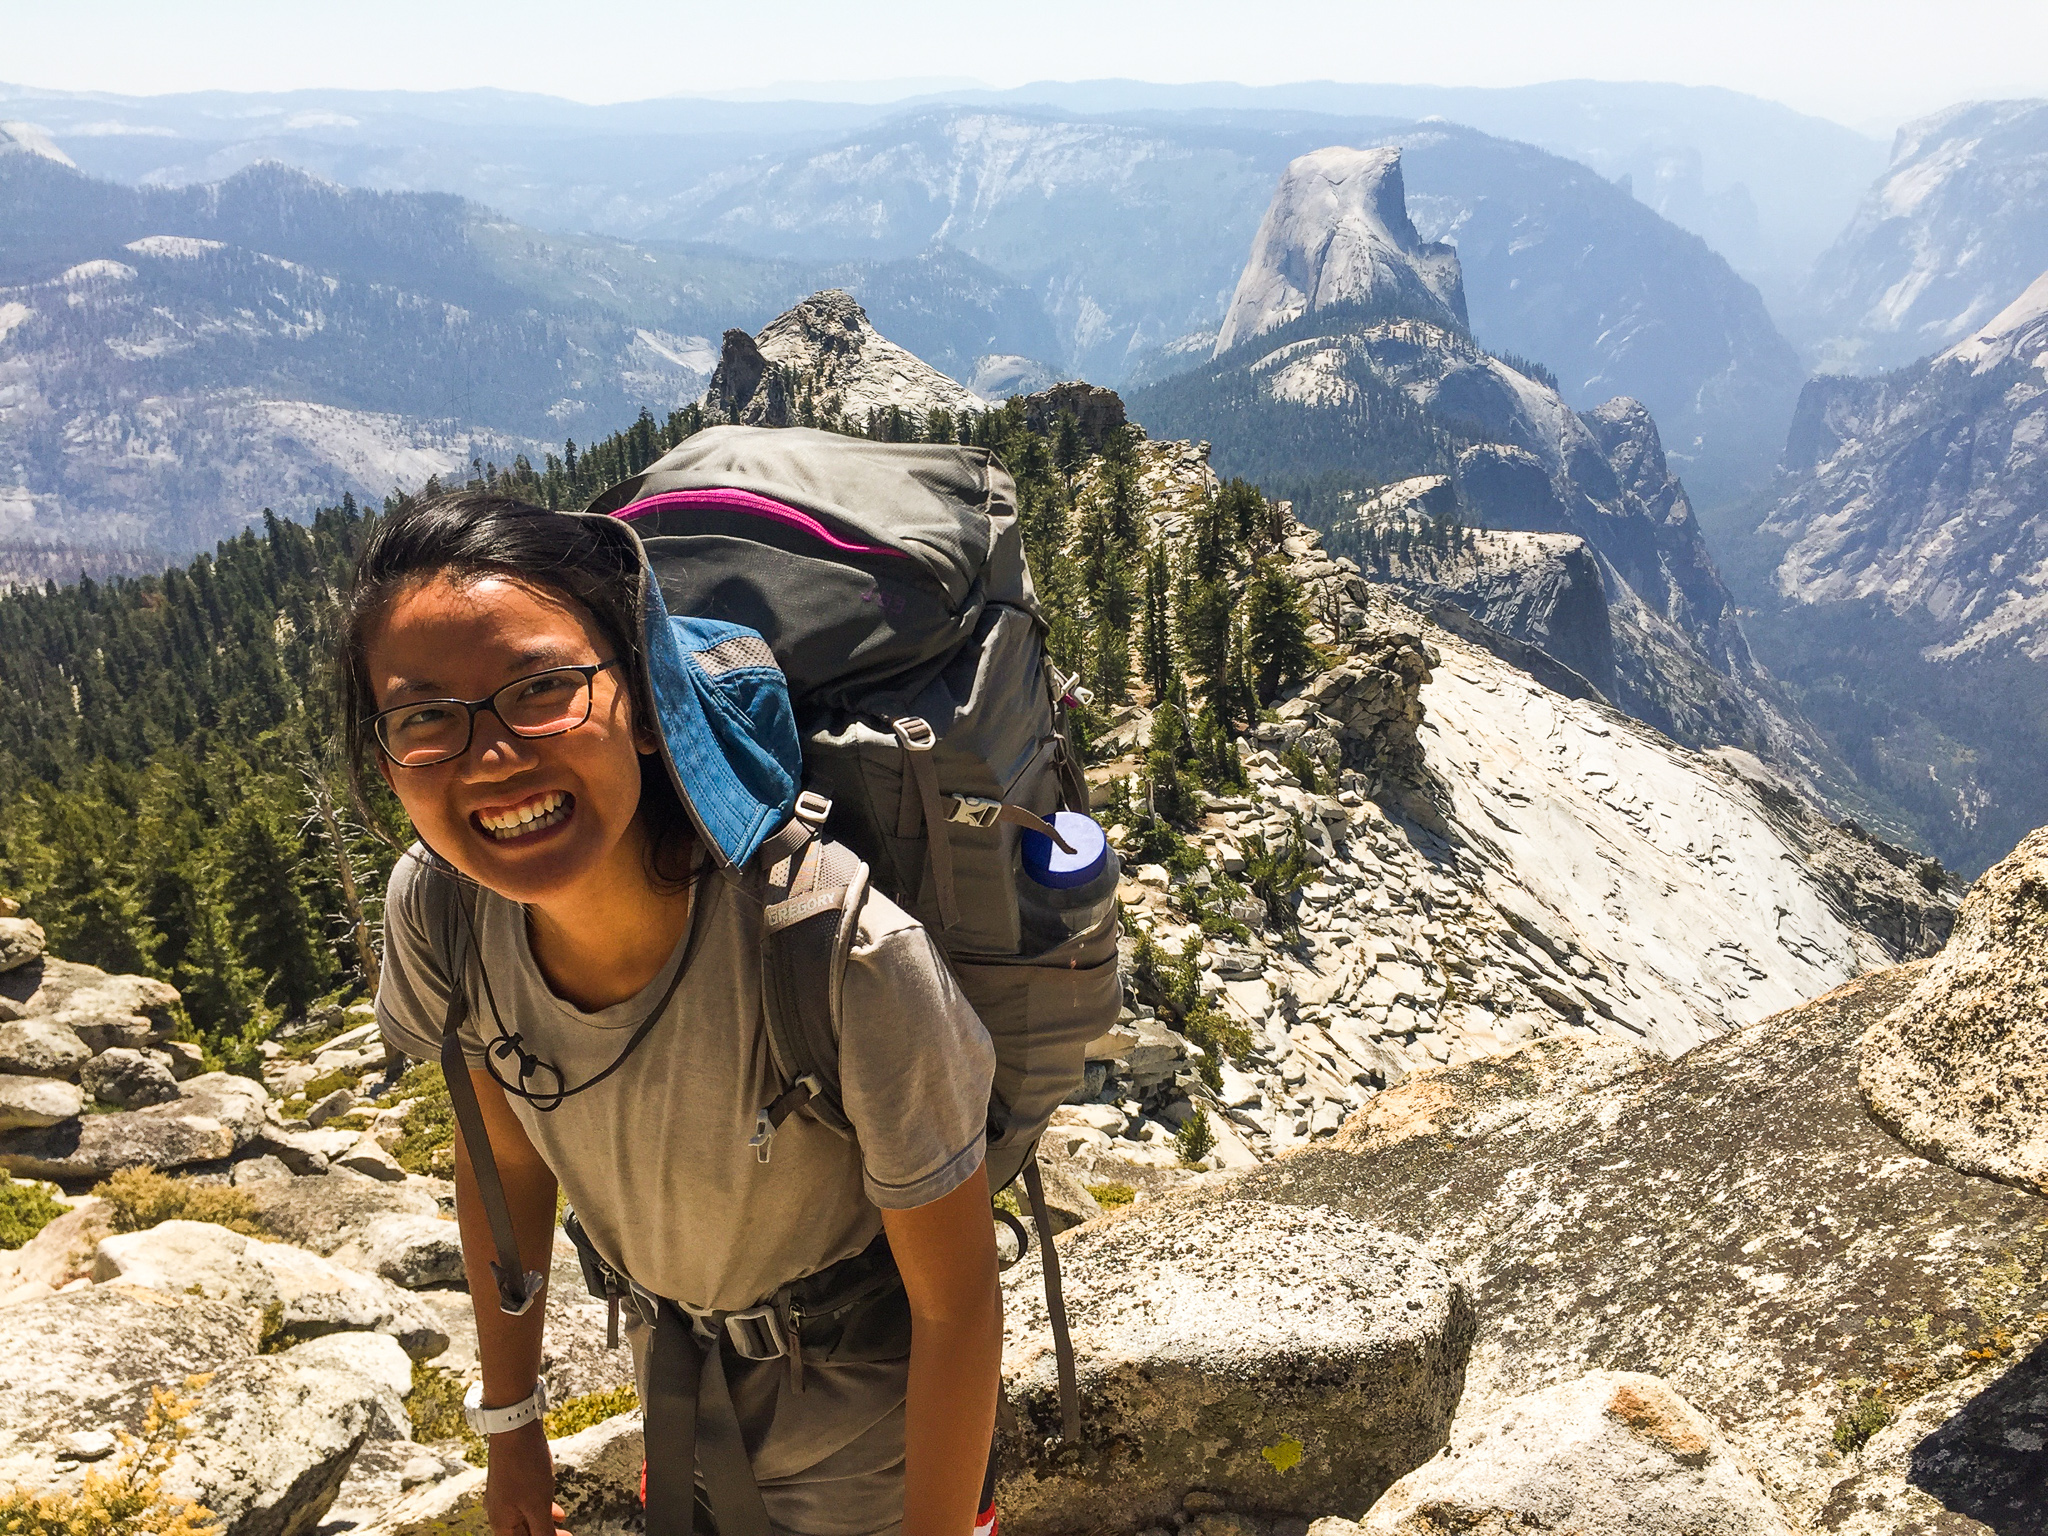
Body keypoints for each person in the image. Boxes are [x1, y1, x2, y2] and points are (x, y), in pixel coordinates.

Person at [339, 490, 1004, 1536]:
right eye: (426, 717)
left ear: (647, 705)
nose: (494, 757)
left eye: (541, 689)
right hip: (674, 1402)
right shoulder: (445, 913)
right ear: (387, 761)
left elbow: (955, 1303)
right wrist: (511, 1432)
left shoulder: (835, 952)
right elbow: (505, 1163)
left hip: (866, 1443)